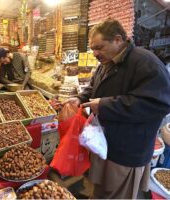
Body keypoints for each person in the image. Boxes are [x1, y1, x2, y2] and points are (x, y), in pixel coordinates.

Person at [63, 19, 170, 199]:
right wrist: (80, 98)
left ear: (118, 40)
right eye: (93, 49)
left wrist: (104, 105)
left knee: (119, 193)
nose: (95, 53)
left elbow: (157, 104)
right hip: (106, 143)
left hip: (127, 148)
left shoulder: (144, 62)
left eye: (99, 47)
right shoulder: (106, 63)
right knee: (103, 189)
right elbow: (94, 87)